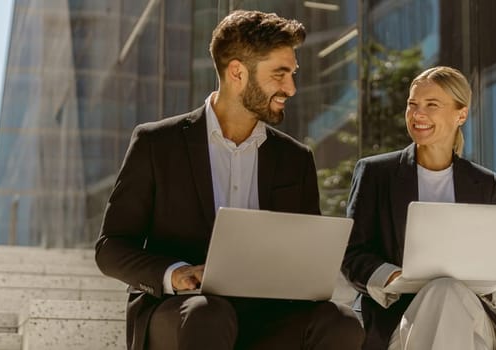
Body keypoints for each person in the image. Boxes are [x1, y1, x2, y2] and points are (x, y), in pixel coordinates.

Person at [95, 10, 363, 350]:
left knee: (341, 322)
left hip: (266, 316)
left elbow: (305, 256)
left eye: (293, 74)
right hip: (182, 312)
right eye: (280, 75)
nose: (291, 88)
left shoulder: (295, 159)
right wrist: (175, 274)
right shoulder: (157, 144)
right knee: (210, 313)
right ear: (237, 72)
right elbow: (111, 248)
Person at [341, 66, 496, 350]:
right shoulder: (376, 173)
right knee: (443, 295)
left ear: (461, 114)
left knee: (447, 291)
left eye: (431, 105)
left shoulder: (483, 183)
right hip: (396, 318)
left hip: (468, 314)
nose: (417, 114)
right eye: (412, 105)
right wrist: (392, 275)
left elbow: (493, 265)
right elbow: (351, 254)